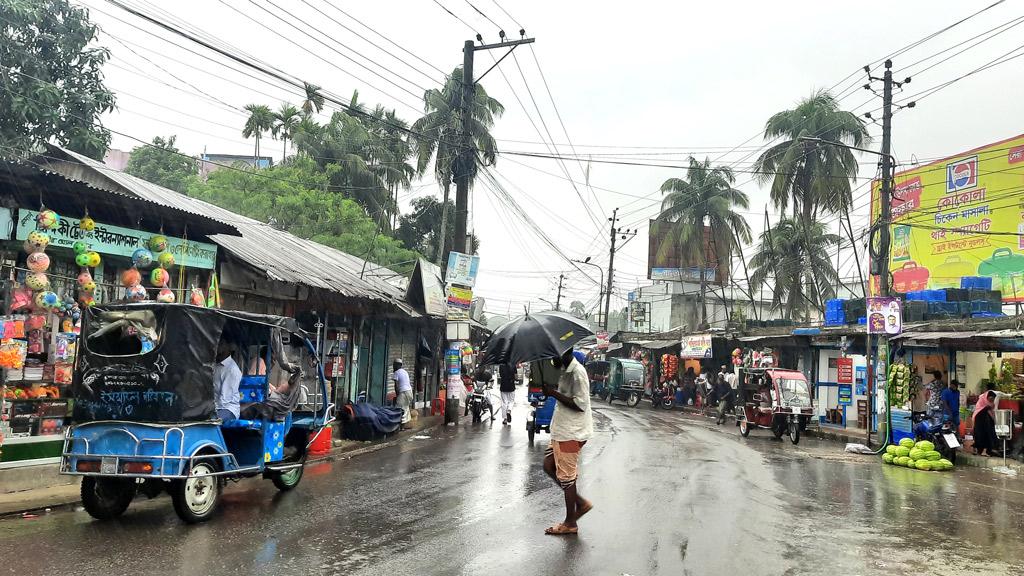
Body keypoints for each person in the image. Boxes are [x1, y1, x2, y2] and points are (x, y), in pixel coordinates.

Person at [541, 349, 594, 536]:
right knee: (549, 465)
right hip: (561, 430)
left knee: (567, 478)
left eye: (554, 355)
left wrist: (553, 393)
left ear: (564, 353)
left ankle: (570, 523)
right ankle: (580, 503)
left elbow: (580, 405)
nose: (552, 359)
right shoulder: (565, 369)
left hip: (572, 433)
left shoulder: (578, 373)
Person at [214, 338, 242, 422]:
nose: (218, 347)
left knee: (210, 421)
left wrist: (208, 408)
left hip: (228, 409)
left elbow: (225, 399)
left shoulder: (232, 370)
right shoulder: (215, 366)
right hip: (214, 406)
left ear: (229, 347)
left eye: (221, 344)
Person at [972, 389, 1002, 457]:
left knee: (983, 435)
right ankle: (983, 451)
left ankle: (982, 450)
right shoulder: (983, 407)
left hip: (983, 424)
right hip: (981, 423)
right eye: (990, 399)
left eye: (993, 399)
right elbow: (983, 418)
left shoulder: (989, 406)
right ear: (987, 398)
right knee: (982, 436)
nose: (991, 401)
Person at [392, 359, 414, 429]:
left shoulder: (396, 372)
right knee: (405, 407)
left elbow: (396, 386)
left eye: (394, 364)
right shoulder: (405, 371)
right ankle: (404, 426)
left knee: (398, 408)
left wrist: (397, 395)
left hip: (404, 393)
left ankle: (399, 427)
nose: (393, 366)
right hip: (410, 392)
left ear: (398, 365)